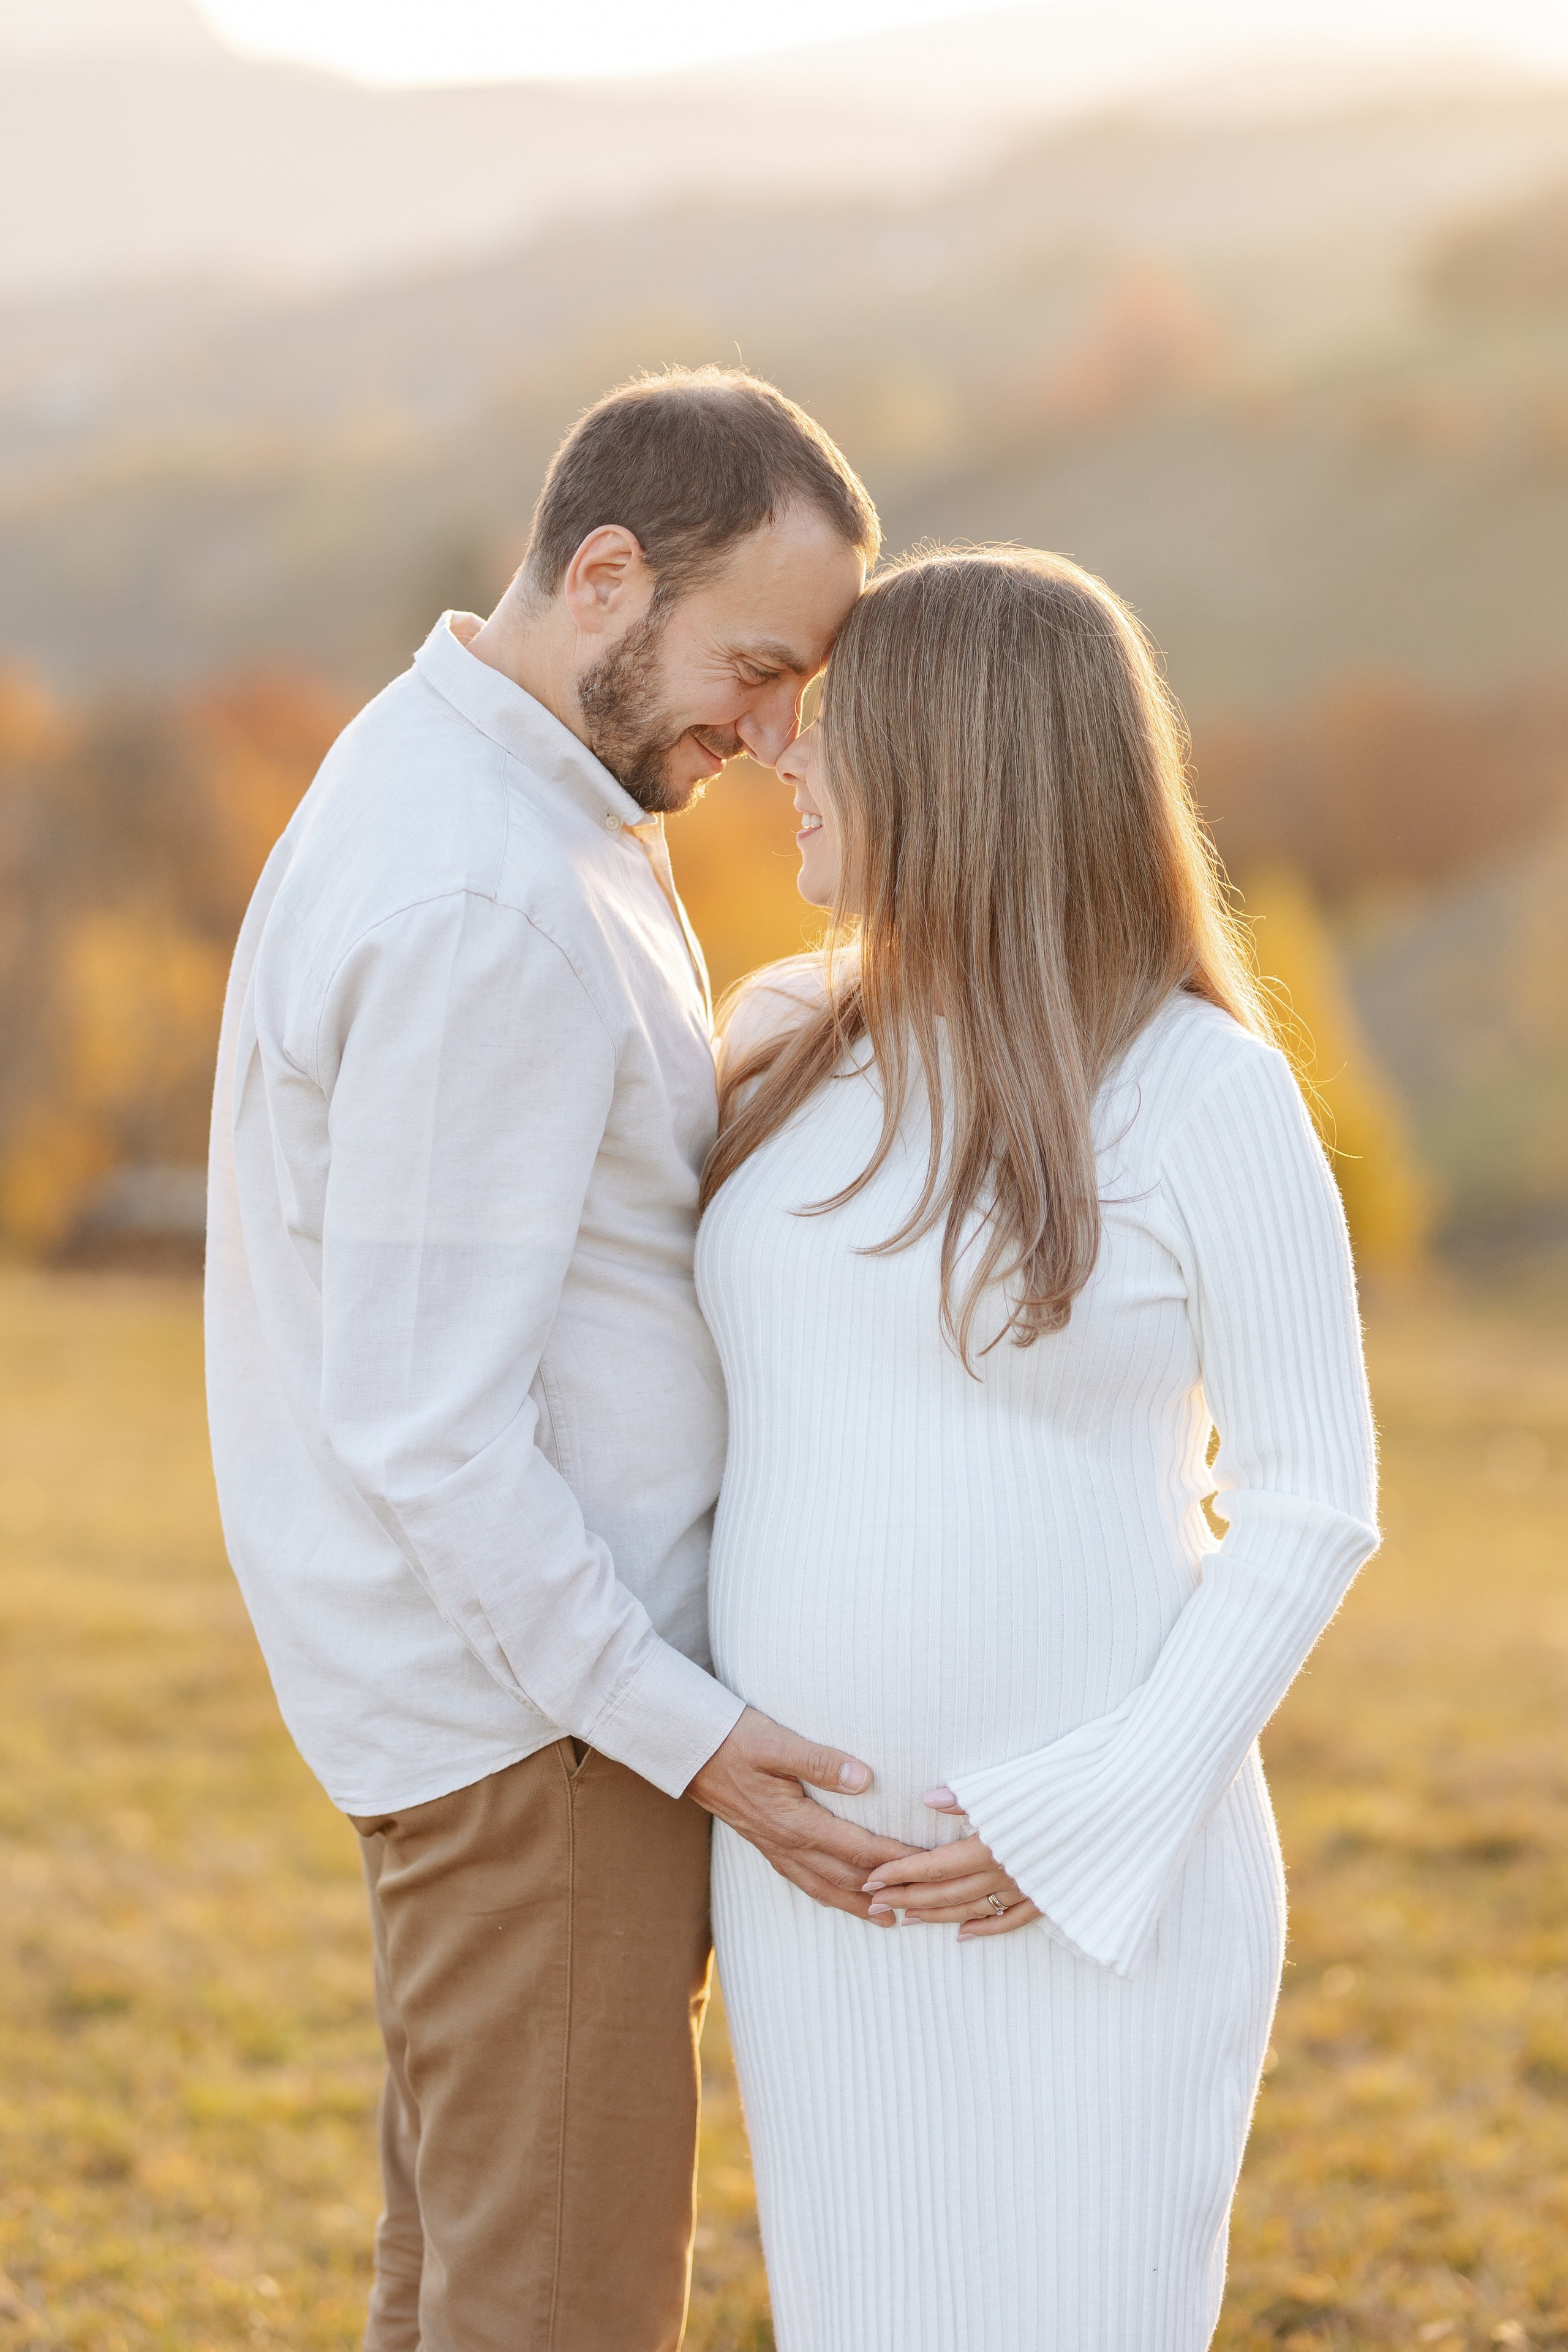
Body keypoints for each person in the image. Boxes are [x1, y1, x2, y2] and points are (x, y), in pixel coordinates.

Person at [205, 367, 914, 2352]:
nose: (776, 735)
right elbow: (433, 1433)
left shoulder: (508, 793)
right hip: (547, 1733)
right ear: (606, 575)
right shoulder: (483, 895)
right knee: (559, 2316)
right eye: (756, 667)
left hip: (525, 1715)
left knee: (471, 2294)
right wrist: (685, 1734)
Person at [698, 546, 1381, 2351]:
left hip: (1093, 1901)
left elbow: (1317, 1504)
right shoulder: (776, 1038)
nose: (788, 759)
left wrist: (1084, 1820)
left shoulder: (1200, 1093)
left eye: (832, 731)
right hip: (817, 1889)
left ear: (954, 764)